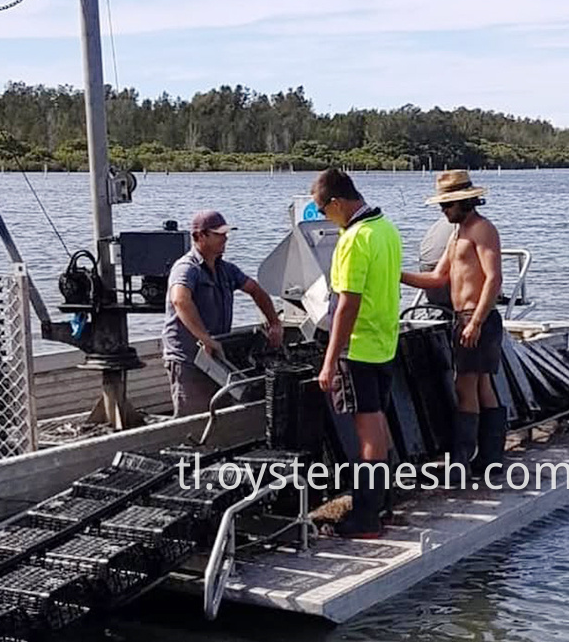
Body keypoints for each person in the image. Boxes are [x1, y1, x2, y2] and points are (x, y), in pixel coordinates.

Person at [311, 168, 403, 538]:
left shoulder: (353, 239)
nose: (322, 218)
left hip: (358, 347)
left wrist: (330, 360)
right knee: (378, 424)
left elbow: (346, 304)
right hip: (385, 343)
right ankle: (383, 504)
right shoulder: (386, 230)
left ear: (336, 202)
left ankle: (365, 517)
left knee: (366, 430)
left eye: (322, 210)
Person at [401, 170, 505, 476]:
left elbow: (493, 278)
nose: (443, 211)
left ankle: (462, 463)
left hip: (476, 318)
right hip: (463, 317)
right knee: (481, 383)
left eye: (447, 206)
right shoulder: (457, 234)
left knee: (464, 386)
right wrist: (396, 274)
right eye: (442, 206)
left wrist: (476, 321)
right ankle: (490, 458)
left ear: (464, 202)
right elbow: (437, 278)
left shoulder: (481, 230)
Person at [163, 209, 282, 417]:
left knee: (224, 415)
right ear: (200, 236)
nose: (225, 238)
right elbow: (180, 300)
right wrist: (206, 339)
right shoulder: (186, 268)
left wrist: (274, 323)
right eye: (219, 234)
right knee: (193, 420)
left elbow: (255, 290)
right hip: (188, 358)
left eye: (226, 233)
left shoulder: (227, 270)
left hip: (217, 356)